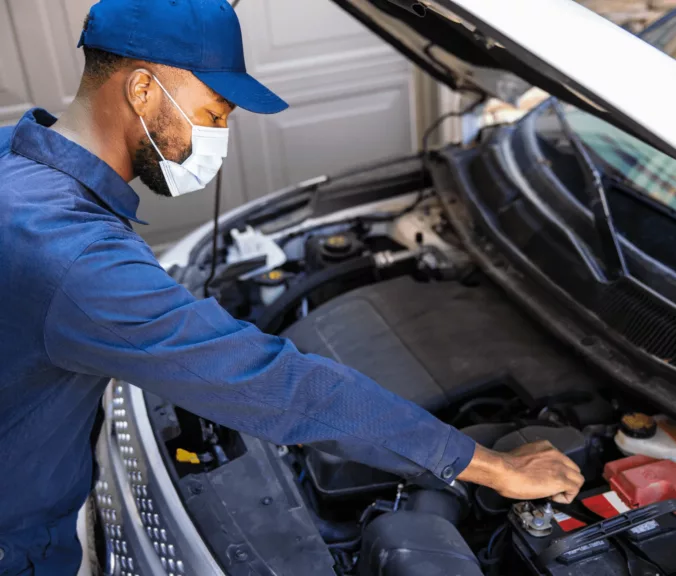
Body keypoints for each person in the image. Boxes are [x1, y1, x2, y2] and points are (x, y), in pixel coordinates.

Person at [0, 0, 584, 573]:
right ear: (143, 90)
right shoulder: (76, 257)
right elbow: (276, 386)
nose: (220, 137)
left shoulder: (13, 162)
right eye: (215, 113)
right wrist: (485, 464)